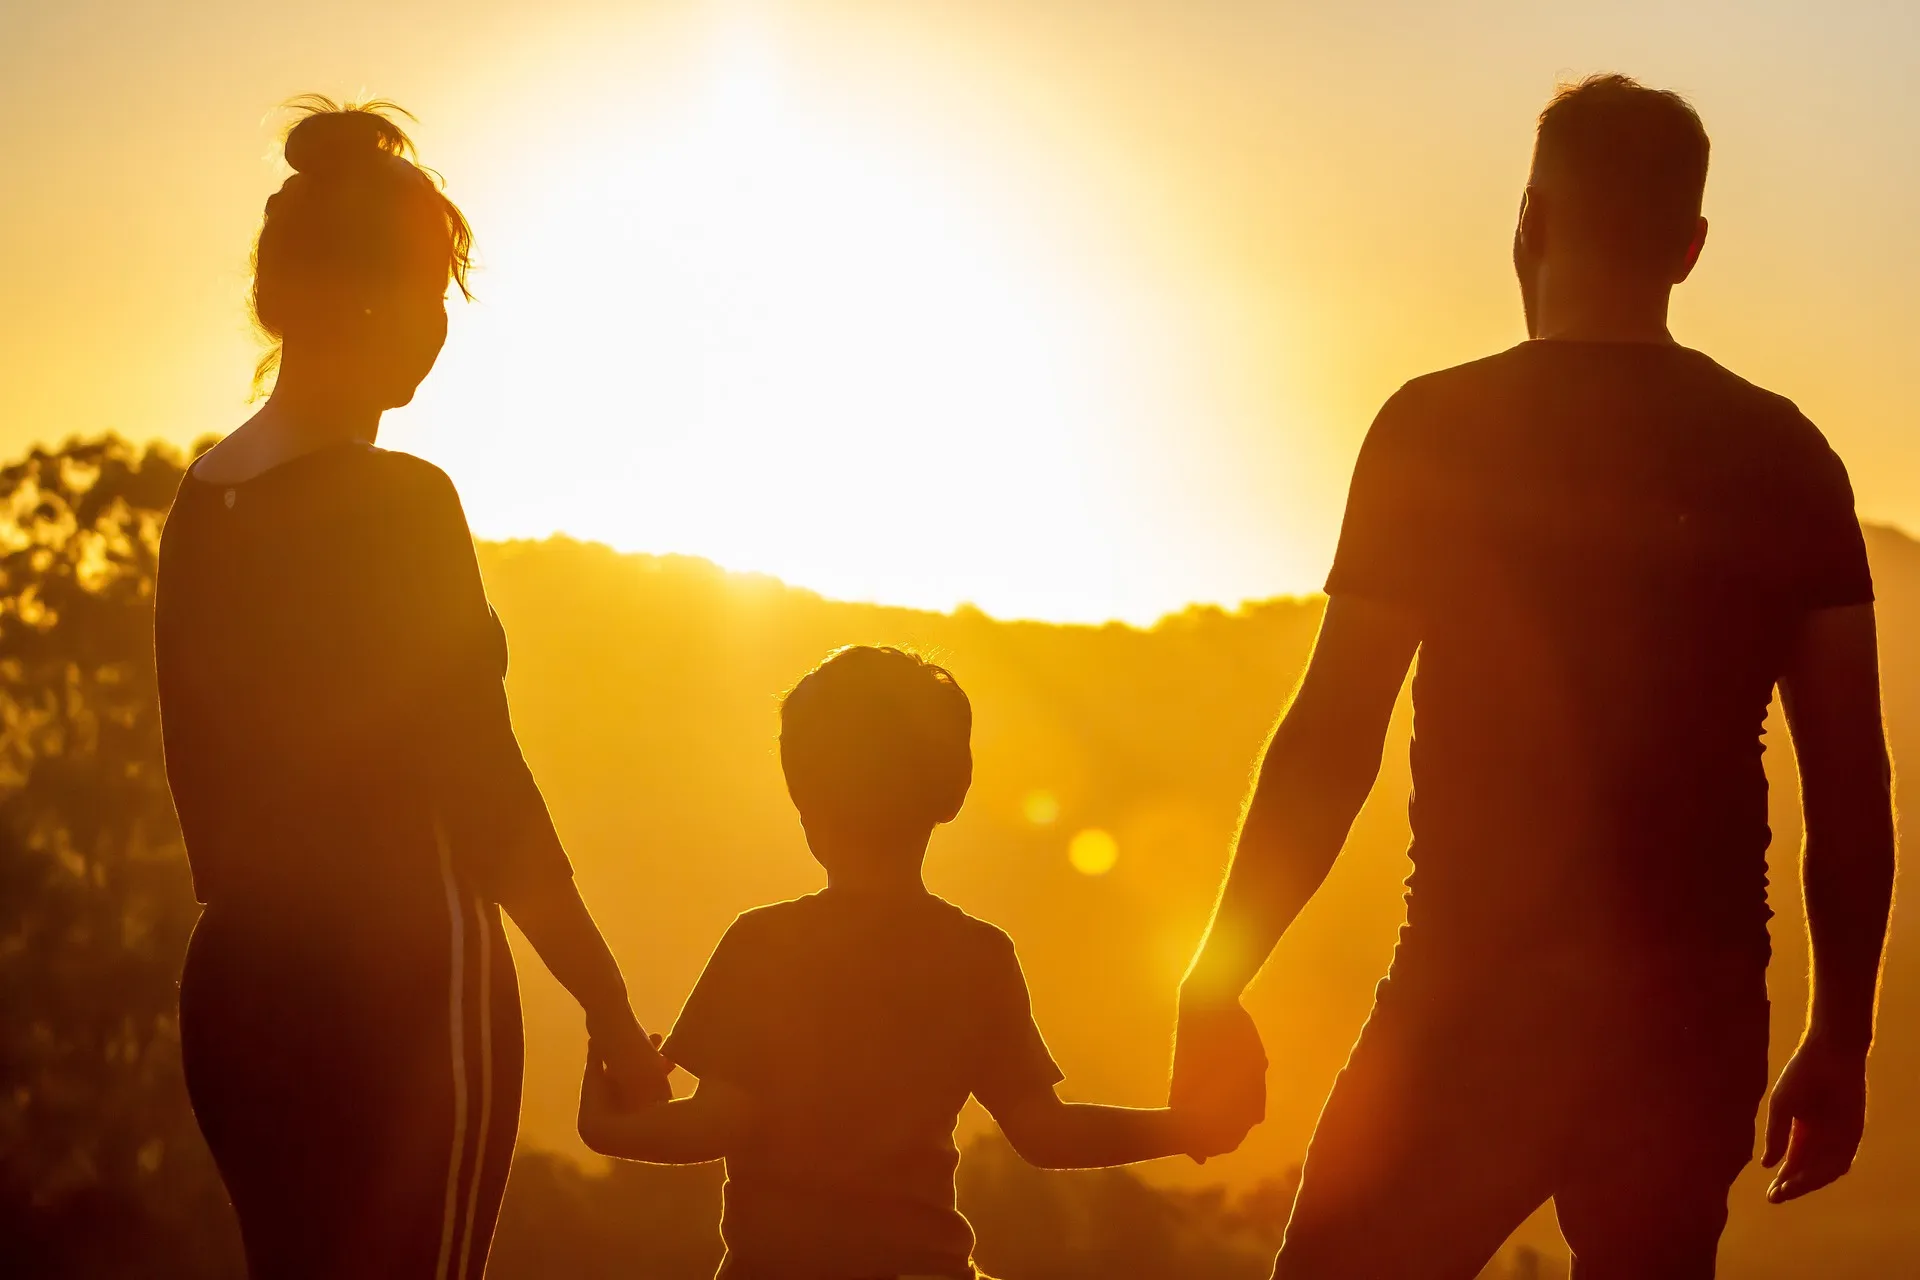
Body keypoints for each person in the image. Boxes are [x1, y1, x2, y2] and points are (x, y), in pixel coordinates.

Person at [1172, 75, 1895, 1279]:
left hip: (1465, 1005)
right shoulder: (1789, 452)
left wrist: (1216, 975)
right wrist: (1842, 1034)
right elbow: (1849, 782)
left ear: (1530, 219)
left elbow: (1331, 734)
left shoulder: (1437, 428)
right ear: (1692, 247)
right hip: (1693, 1017)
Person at [156, 98, 670, 1280]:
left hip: (236, 984)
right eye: (436, 295)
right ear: (381, 303)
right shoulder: (400, 502)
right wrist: (604, 999)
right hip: (401, 990)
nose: (440, 329)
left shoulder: (204, 503)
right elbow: (483, 783)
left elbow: (202, 782)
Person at [577, 646, 1255, 1280]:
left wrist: (611, 1129)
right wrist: (1188, 1125)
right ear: (952, 793)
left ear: (802, 799)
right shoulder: (977, 956)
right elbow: (1046, 1132)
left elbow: (719, 1121)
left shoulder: (762, 945)